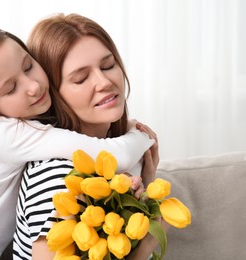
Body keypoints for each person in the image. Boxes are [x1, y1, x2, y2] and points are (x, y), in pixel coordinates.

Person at [0, 24, 156, 260]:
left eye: (29, 66)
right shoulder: (4, 133)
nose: (33, 86)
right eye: (10, 88)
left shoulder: (34, 124)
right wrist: (141, 134)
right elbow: (115, 155)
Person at [13, 13, 160, 259]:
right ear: (53, 95)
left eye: (108, 65)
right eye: (80, 78)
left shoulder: (114, 164)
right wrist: (149, 239)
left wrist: (144, 191)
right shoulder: (57, 175)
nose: (104, 82)